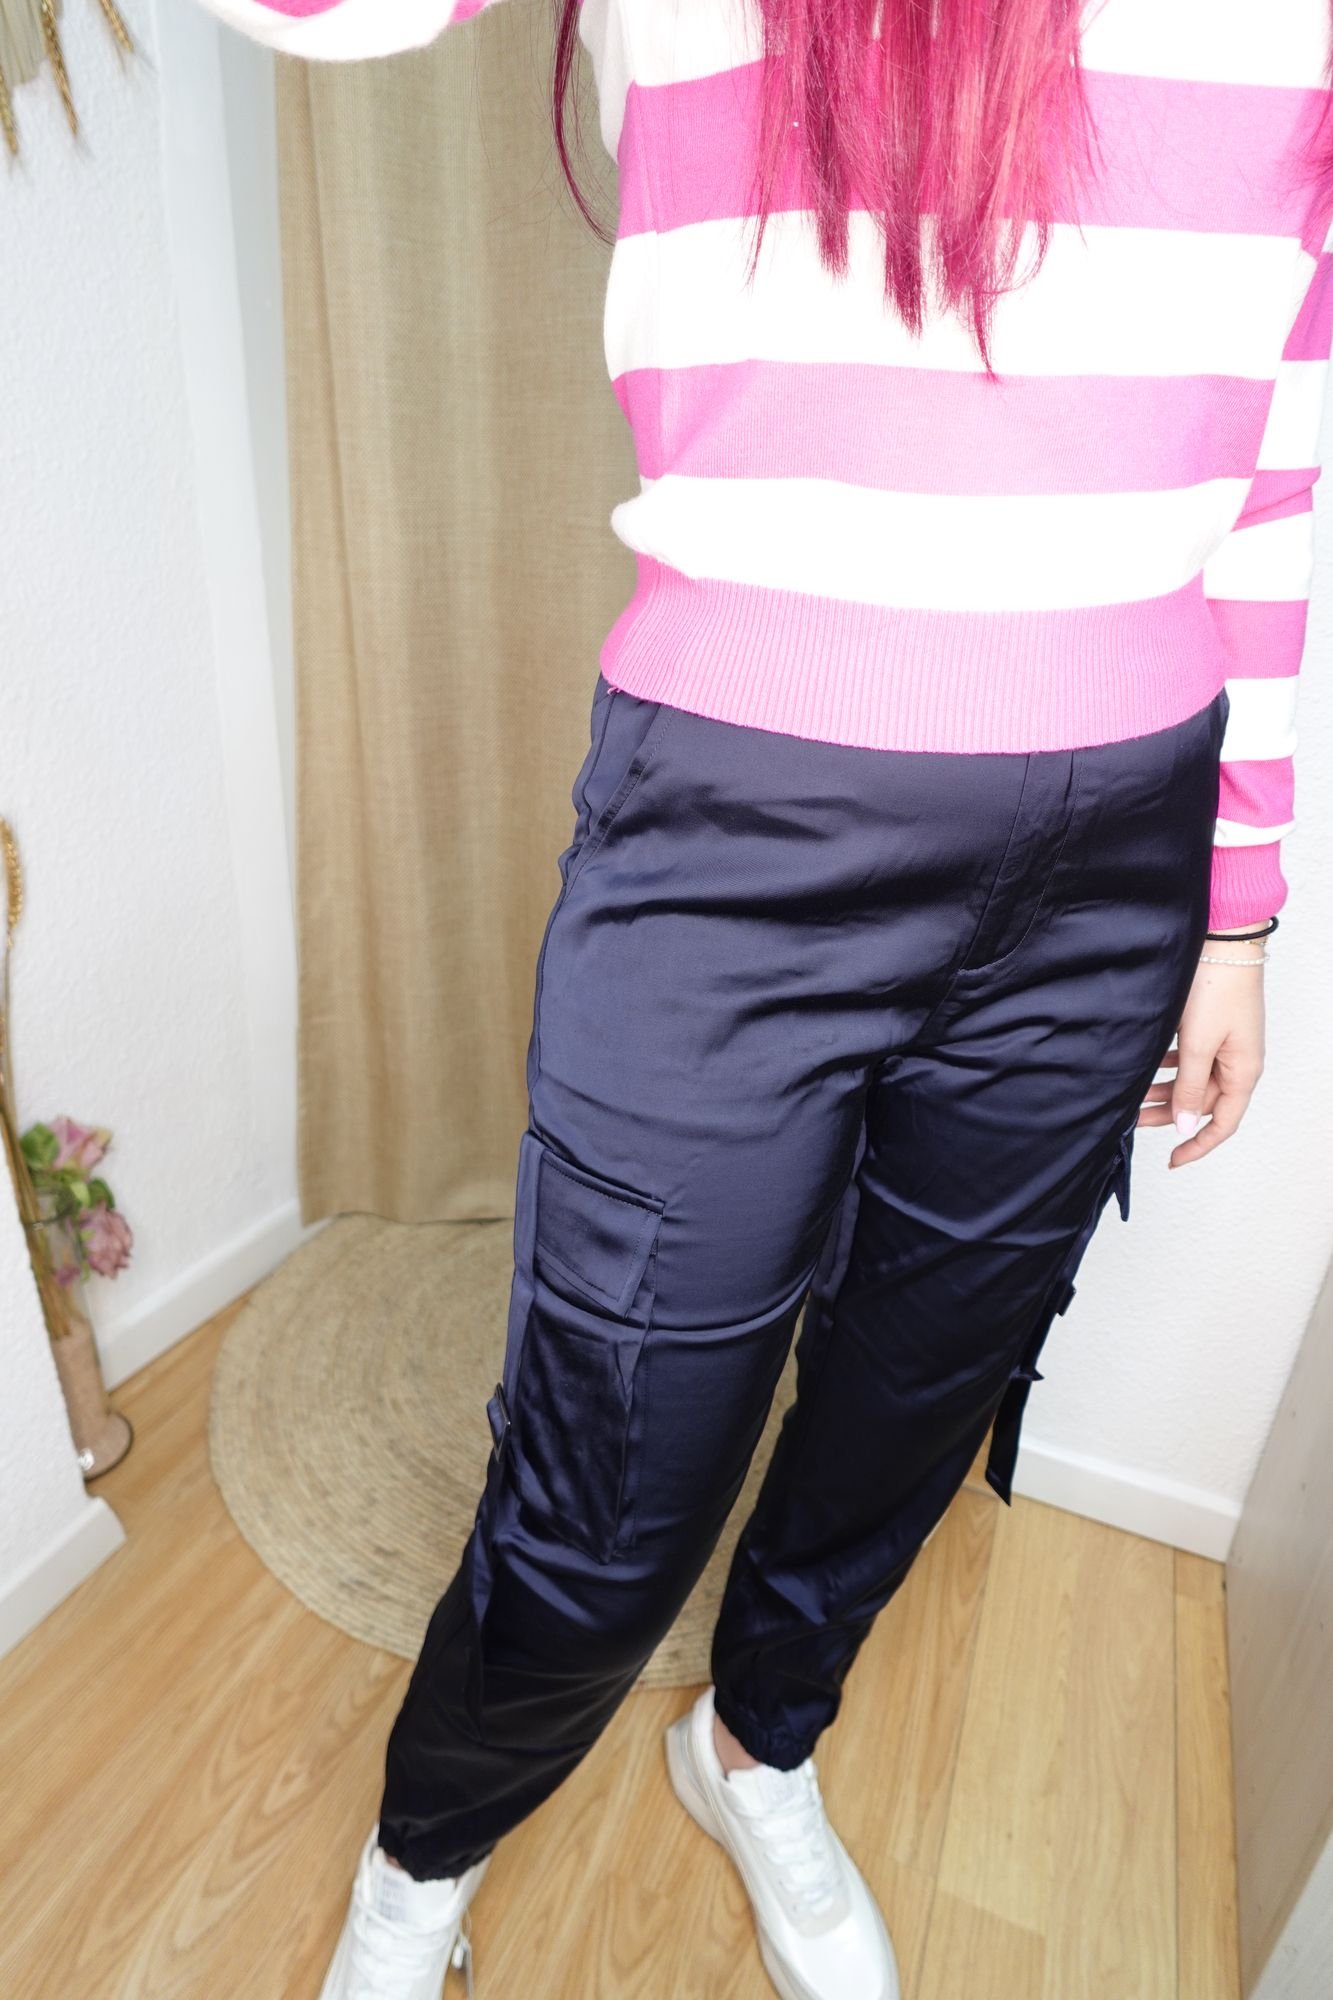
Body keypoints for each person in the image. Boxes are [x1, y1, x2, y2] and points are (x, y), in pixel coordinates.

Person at [193, 2, 1332, 1995]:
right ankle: (421, 1864)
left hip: (1116, 847)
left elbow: (1272, 446)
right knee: (609, 1478)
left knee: (911, 1401)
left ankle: (752, 1746)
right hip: (738, 839)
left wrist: (1234, 906)